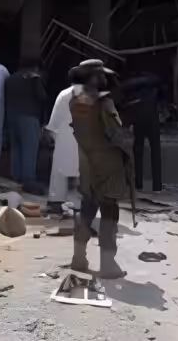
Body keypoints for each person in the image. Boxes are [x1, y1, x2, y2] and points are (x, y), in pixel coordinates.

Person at [68, 59, 135, 279]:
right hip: (108, 163)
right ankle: (107, 263)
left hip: (86, 160)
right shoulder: (104, 101)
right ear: (94, 77)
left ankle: (78, 258)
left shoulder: (75, 99)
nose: (105, 79)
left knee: (87, 206)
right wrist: (128, 154)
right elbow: (115, 133)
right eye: (101, 75)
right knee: (109, 211)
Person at [4, 57, 49, 192]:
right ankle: (29, 180)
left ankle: (16, 175)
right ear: (35, 67)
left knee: (16, 146)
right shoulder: (34, 78)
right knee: (30, 149)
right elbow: (42, 98)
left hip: (12, 116)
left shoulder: (10, 78)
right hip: (29, 116)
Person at [45, 65, 84, 207]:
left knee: (59, 171)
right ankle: (82, 205)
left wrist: (52, 133)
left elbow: (54, 120)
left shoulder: (64, 94)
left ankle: (56, 201)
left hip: (65, 137)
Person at [120, 72, 163, 192]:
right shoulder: (154, 87)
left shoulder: (132, 91)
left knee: (138, 151)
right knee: (155, 152)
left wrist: (127, 124)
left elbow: (126, 107)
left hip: (139, 121)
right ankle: (157, 186)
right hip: (153, 121)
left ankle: (138, 184)